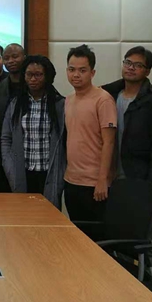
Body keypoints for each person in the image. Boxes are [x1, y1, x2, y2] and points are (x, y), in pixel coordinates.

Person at [101, 46, 152, 279]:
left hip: (139, 175)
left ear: (147, 71)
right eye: (128, 62)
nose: (131, 68)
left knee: (144, 232)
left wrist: (151, 183)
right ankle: (123, 279)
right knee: (117, 230)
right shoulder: (109, 93)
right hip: (111, 175)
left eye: (137, 65)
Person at [1, 55, 66, 208]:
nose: (33, 79)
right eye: (29, 74)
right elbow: (6, 138)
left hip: (50, 172)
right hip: (22, 172)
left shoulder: (60, 105)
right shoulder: (16, 104)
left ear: (47, 76)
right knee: (23, 215)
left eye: (38, 75)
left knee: (48, 216)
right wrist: (9, 166)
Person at [64, 44, 117, 222]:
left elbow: (109, 142)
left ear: (92, 73)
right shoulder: (68, 100)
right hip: (71, 180)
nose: (76, 75)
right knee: (76, 232)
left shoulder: (103, 100)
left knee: (96, 235)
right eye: (71, 69)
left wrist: (102, 180)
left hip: (94, 183)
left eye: (82, 70)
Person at [0, 43, 26, 192]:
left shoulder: (34, 85)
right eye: (6, 58)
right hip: (4, 150)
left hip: (30, 149)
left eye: (15, 56)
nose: (11, 61)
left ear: (24, 57)